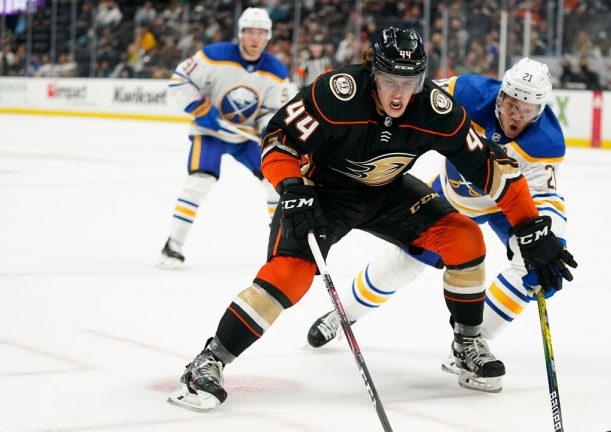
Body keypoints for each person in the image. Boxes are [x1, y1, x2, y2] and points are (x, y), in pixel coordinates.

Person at [167, 28, 576, 412]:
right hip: (322, 193)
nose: (400, 95)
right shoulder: (336, 93)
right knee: (289, 275)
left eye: (410, 82)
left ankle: (467, 347)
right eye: (391, 81)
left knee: (465, 237)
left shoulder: (434, 108)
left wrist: (528, 225)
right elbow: (278, 139)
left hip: (388, 190)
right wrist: (292, 188)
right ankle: (209, 361)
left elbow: (491, 165)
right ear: (372, 72)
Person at [306, 58, 571, 393]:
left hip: (507, 205)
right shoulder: (470, 91)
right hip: (453, 196)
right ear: (500, 95)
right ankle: (343, 315)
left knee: (546, 261)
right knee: (404, 262)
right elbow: (416, 98)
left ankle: (470, 345)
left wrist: (542, 235)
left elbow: (544, 195)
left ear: (541, 110)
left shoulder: (547, 141)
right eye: (511, 104)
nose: (516, 115)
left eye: (528, 110)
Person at [157, 8, 292, 269]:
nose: (255, 38)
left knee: (276, 183)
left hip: (245, 138)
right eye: (250, 31)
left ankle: (282, 246)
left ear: (268, 37)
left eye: (261, 33)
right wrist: (199, 107)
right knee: (199, 181)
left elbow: (273, 110)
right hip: (209, 132)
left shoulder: (276, 70)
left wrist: (266, 129)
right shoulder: (213, 55)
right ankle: (173, 245)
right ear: (240, 33)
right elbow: (179, 80)